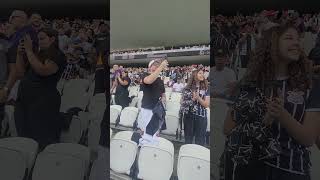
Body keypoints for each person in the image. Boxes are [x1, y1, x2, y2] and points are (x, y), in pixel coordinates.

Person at [223, 23, 320, 180]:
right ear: (272, 44)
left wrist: (282, 115)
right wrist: (264, 122)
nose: (296, 43)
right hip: (250, 168)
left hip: (291, 172)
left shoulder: (310, 85)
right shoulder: (249, 84)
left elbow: (309, 138)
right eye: (289, 38)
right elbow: (227, 129)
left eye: (298, 39)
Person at [14, 28, 66, 150]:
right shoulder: (36, 55)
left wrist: (28, 50)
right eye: (38, 39)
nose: (39, 41)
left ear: (52, 39)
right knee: (24, 138)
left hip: (43, 102)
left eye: (42, 38)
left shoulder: (58, 55)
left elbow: (44, 70)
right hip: (24, 102)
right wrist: (19, 54)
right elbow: (20, 73)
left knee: (41, 140)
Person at [137, 59, 168, 145]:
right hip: (147, 108)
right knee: (147, 134)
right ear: (150, 67)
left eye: (158, 65)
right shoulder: (145, 75)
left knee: (154, 135)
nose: (157, 66)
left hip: (157, 110)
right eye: (155, 64)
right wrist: (161, 67)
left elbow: (163, 93)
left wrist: (163, 98)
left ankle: (151, 152)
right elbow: (149, 81)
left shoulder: (160, 80)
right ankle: (144, 151)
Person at [180, 69, 210, 146]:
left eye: (203, 73)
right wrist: (192, 100)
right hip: (189, 116)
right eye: (200, 73)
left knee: (200, 141)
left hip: (201, 117)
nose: (202, 75)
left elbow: (206, 104)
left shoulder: (206, 88)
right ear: (194, 75)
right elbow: (182, 102)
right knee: (188, 140)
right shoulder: (187, 88)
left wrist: (198, 98)